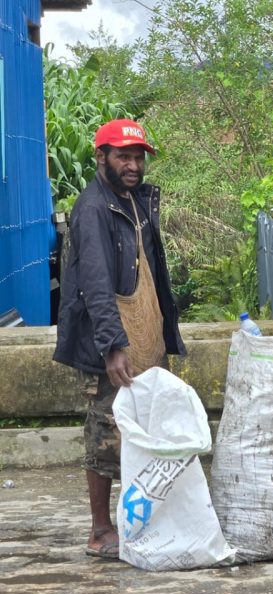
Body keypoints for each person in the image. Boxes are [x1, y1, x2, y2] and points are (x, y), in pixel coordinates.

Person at [54, 119, 186, 559]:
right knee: (106, 435)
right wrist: (112, 346)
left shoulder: (136, 200)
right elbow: (94, 282)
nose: (133, 165)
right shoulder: (93, 208)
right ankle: (100, 530)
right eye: (123, 157)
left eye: (138, 157)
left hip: (145, 338)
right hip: (110, 343)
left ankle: (140, 520)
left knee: (146, 434)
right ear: (101, 157)